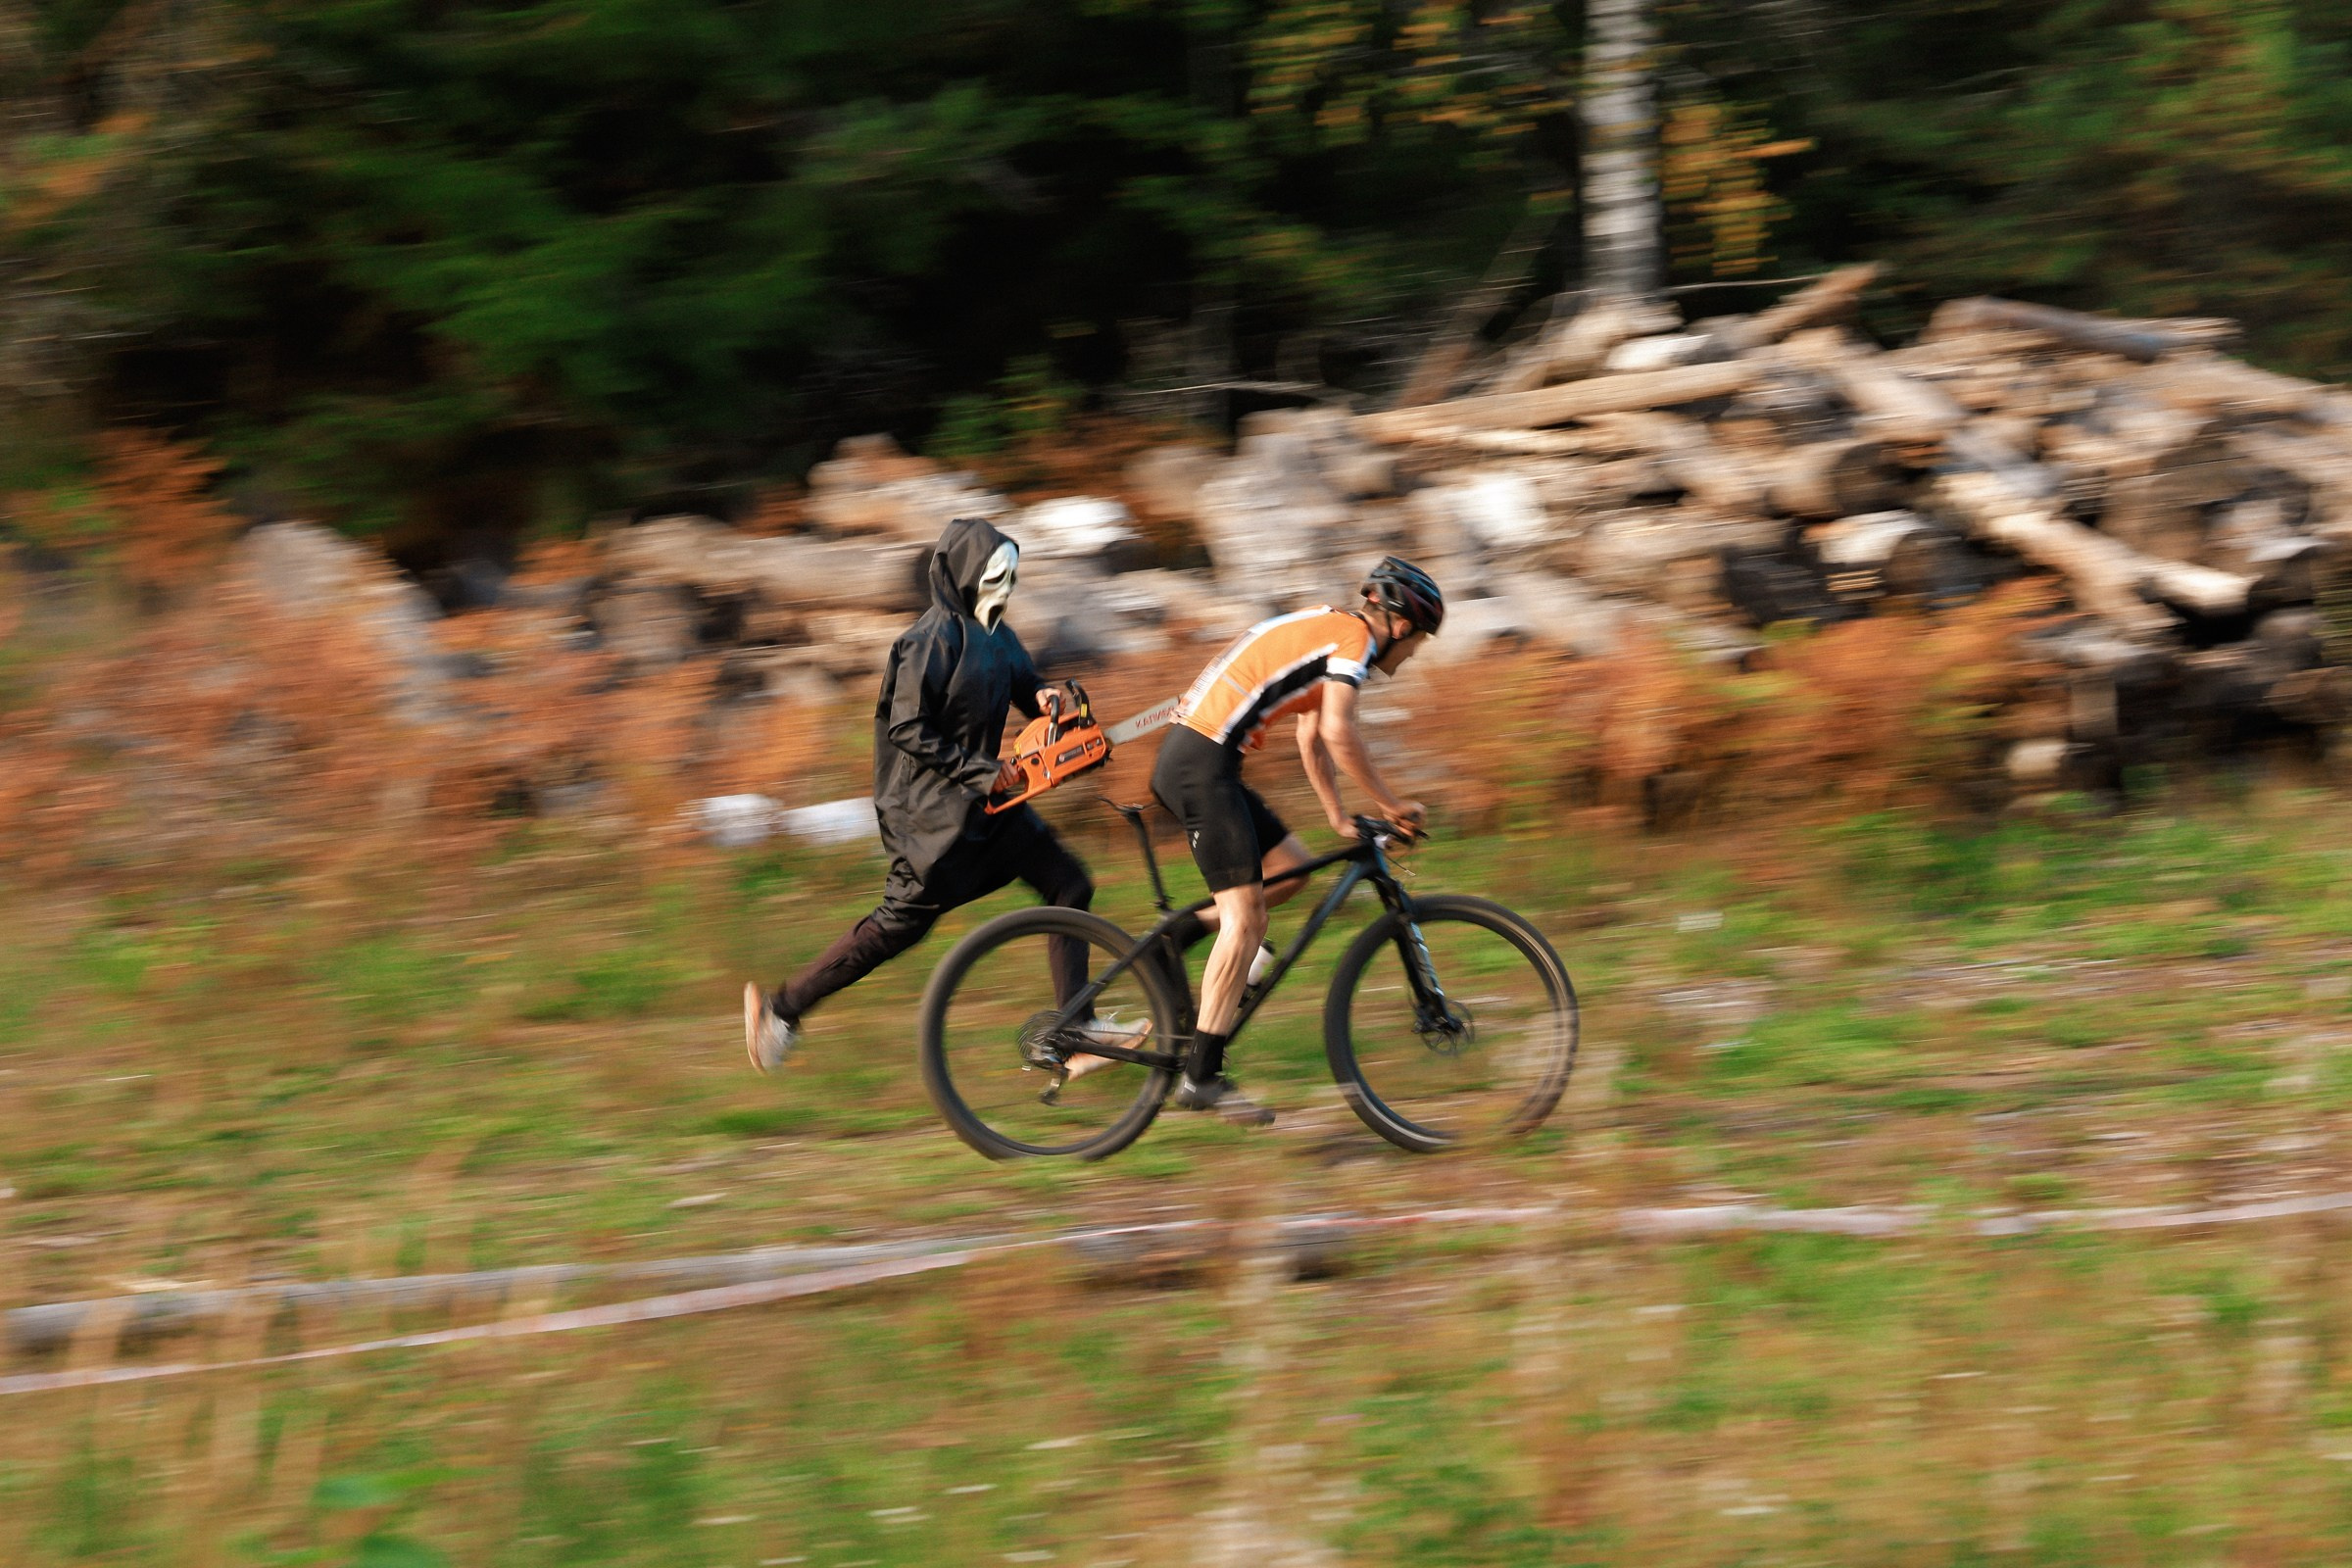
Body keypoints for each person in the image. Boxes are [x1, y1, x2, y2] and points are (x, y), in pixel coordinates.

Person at [742, 515, 1145, 1071]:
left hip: (991, 808)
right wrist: (981, 770)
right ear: (965, 575)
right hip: (933, 820)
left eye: (1012, 576)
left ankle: (1073, 1031)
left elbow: (1022, 682)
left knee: (1070, 883)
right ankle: (780, 1011)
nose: (1007, 587)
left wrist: (1044, 696)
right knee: (895, 929)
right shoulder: (923, 643)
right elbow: (907, 729)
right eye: (997, 576)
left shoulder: (999, 635)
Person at [1130, 556, 1444, 1127]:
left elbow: (1312, 736)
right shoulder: (1353, 641)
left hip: (1206, 758)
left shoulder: (1333, 632)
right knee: (1246, 920)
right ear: (1400, 625)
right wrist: (1391, 804)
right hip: (1201, 763)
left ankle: (1173, 939)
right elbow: (1338, 731)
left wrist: (1338, 817)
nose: (1415, 652)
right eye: (1419, 640)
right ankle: (1201, 1077)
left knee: (1290, 869)